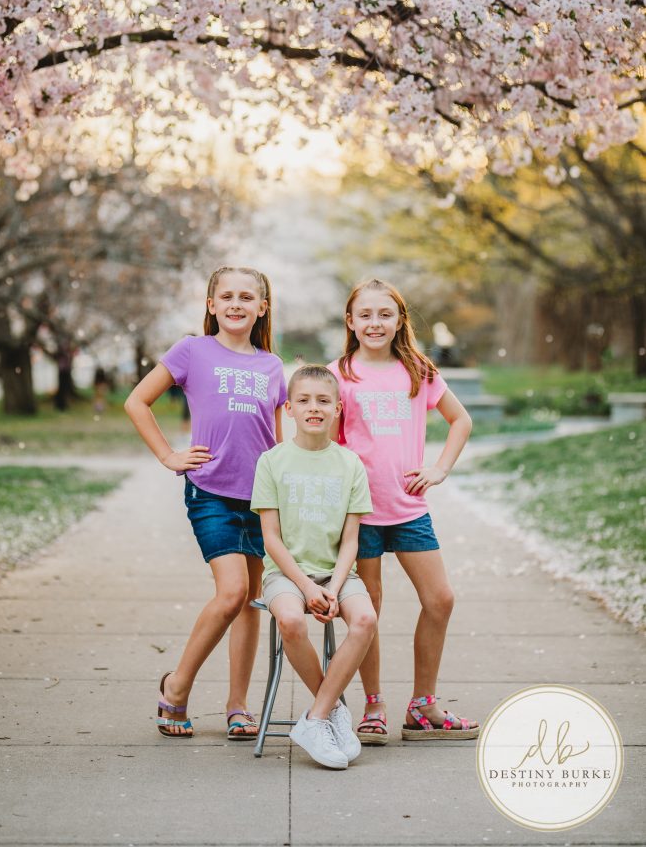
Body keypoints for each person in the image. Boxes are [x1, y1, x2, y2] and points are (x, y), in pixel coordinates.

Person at [124, 266, 287, 740]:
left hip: (261, 501)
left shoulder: (271, 366)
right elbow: (138, 402)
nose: (237, 304)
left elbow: (276, 441)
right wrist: (168, 455)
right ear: (212, 305)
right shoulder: (192, 351)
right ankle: (176, 687)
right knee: (232, 591)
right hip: (211, 493)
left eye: (247, 297)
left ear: (262, 307)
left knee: (251, 602)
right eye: (227, 296)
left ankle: (238, 706)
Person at [327, 278, 479, 744]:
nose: (375, 323)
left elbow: (461, 421)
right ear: (351, 322)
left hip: (409, 508)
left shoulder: (419, 370)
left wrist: (439, 468)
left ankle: (422, 705)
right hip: (361, 514)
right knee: (367, 610)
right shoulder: (338, 375)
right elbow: (330, 444)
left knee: (440, 599)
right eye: (365, 315)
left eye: (385, 314)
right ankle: (373, 705)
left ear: (399, 321)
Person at [251, 365, 377, 770]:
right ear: (289, 408)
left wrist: (335, 586)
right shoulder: (271, 462)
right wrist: (306, 587)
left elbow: (351, 540)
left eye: (323, 401)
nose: (314, 408)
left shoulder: (350, 464)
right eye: (304, 400)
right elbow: (271, 538)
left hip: (337, 572)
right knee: (291, 620)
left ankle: (317, 717)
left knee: (365, 620)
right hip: (285, 574)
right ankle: (335, 711)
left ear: (338, 409)